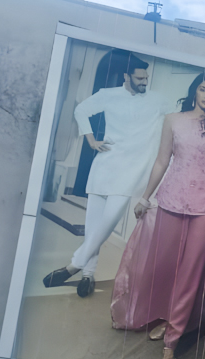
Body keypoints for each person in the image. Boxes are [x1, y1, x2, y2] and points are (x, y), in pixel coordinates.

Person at [110, 72, 205, 359]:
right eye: (203, 89)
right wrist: (145, 197)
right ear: (194, 91)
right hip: (172, 200)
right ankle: (165, 316)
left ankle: (170, 348)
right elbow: (162, 161)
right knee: (164, 267)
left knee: (190, 275)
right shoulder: (173, 120)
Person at [43, 54, 169, 297]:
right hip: (104, 167)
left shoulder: (157, 101)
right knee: (94, 227)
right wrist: (91, 140)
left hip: (131, 172)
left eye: (146, 78)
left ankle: (73, 266)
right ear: (126, 76)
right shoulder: (108, 95)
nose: (144, 82)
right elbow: (81, 110)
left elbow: (180, 117)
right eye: (139, 78)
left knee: (107, 223)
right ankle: (87, 275)